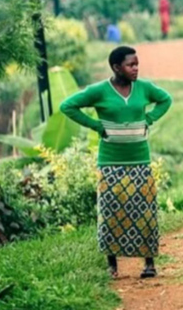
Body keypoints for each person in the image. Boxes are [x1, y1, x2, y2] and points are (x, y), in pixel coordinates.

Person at [60, 46, 172, 279]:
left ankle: (149, 264)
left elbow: (165, 99)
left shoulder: (144, 88)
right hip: (110, 164)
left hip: (140, 162)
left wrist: (149, 119)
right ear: (116, 67)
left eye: (137, 64)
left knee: (145, 213)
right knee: (111, 213)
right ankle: (112, 265)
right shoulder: (100, 91)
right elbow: (67, 106)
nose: (135, 68)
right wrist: (96, 125)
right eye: (130, 65)